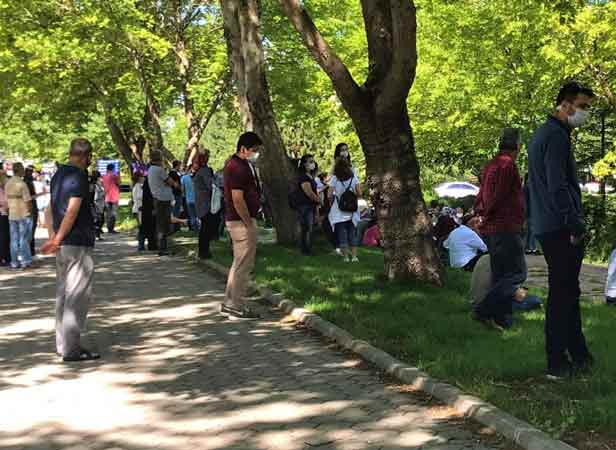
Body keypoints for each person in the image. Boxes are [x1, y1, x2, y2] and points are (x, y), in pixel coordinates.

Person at [527, 81, 596, 379]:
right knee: (562, 293)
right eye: (583, 107)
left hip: (547, 223)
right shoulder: (556, 137)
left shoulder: (545, 134)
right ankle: (557, 360)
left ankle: (578, 353)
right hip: (559, 226)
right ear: (565, 105)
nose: (585, 114)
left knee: (567, 290)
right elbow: (557, 186)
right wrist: (574, 222)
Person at [41, 138, 100, 362]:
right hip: (76, 243)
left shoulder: (58, 175)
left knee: (63, 295)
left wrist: (53, 238)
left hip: (63, 245)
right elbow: (72, 211)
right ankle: (71, 349)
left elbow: (48, 210)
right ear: (86, 156)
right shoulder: (78, 176)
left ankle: (62, 345)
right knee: (77, 297)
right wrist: (58, 238)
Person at [473, 128, 526, 330]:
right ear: (517, 147)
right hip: (505, 226)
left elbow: (482, 194)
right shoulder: (507, 164)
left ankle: (501, 318)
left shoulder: (490, 165)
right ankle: (483, 310)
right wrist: (486, 214)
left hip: (494, 228)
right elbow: (499, 194)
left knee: (501, 275)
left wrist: (480, 212)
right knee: (517, 274)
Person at [220, 132, 263, 320]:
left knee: (239, 263)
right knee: (244, 265)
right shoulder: (237, 167)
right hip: (241, 221)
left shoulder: (241, 164)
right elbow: (238, 199)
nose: (256, 153)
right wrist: (248, 223)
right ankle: (236, 305)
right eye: (254, 150)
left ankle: (230, 303)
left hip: (239, 220)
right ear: (243, 148)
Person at [470, 254, 541, 312]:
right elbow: (517, 296)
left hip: (475, 301)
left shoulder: (483, 258)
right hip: (488, 304)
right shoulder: (505, 261)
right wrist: (521, 292)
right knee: (535, 300)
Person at [328, 159, 361, 262]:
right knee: (352, 234)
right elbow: (359, 193)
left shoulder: (334, 178)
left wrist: (332, 201)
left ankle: (346, 257)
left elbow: (329, 194)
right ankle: (355, 257)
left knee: (342, 235)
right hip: (352, 211)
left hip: (339, 211)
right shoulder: (353, 177)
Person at [147, 151, 178, 256]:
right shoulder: (159, 170)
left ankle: (161, 246)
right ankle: (162, 248)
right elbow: (170, 182)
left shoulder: (151, 169)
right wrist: (175, 184)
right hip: (163, 199)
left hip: (157, 198)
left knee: (161, 223)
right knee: (164, 224)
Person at [5, 162, 33, 269]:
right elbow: (28, 201)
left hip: (12, 214)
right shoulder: (22, 184)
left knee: (14, 239)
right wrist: (30, 212)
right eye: (23, 169)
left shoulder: (8, 183)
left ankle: (14, 261)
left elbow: (7, 200)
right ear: (20, 170)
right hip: (23, 213)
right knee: (24, 239)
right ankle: (26, 261)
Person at [295, 154, 321, 255]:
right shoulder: (303, 177)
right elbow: (309, 192)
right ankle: (305, 250)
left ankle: (308, 249)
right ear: (304, 164)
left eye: (313, 161)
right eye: (310, 161)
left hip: (310, 206)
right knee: (306, 228)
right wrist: (319, 200)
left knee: (309, 228)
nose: (312, 163)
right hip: (305, 206)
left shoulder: (310, 176)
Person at [193, 151, 215, 259]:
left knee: (205, 228)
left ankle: (203, 251)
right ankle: (204, 251)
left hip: (200, 202)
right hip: (205, 203)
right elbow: (210, 186)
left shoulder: (198, 172)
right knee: (206, 228)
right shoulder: (204, 171)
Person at [23, 166, 39, 256]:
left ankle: (31, 249)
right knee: (31, 228)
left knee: (30, 228)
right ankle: (30, 250)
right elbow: (30, 197)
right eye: (32, 172)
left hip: (31, 206)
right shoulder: (28, 182)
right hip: (31, 206)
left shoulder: (27, 181)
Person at [101, 163, 120, 233]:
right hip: (114, 196)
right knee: (114, 213)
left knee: (108, 213)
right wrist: (119, 175)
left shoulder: (104, 176)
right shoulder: (114, 175)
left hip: (107, 196)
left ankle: (109, 227)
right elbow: (119, 183)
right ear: (112, 168)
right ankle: (111, 228)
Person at [523, 173, 538, 254]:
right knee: (530, 230)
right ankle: (531, 247)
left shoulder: (527, 188)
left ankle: (529, 247)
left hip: (531, 212)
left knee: (530, 230)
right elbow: (525, 202)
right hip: (530, 212)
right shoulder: (528, 188)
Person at [181, 165, 198, 232]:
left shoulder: (184, 178)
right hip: (197, 199)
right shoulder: (198, 177)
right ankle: (198, 227)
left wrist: (184, 195)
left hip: (188, 199)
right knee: (197, 215)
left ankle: (194, 228)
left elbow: (182, 189)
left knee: (191, 215)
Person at [0, 163, 11, 266]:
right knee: (4, 236)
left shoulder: (4, 187)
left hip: (5, 212)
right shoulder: (3, 188)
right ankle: (4, 257)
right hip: (3, 213)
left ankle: (6, 257)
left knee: (5, 236)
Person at [90, 171, 105, 241]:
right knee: (98, 220)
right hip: (97, 205)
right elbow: (96, 197)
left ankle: (97, 235)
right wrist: (103, 193)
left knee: (99, 220)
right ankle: (96, 235)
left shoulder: (95, 184)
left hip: (98, 204)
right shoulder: (95, 185)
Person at [132, 174, 145, 250]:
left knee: (142, 227)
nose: (144, 178)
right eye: (142, 177)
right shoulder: (138, 186)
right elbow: (139, 196)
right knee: (141, 227)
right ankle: (141, 245)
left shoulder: (138, 186)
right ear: (139, 178)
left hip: (138, 208)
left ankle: (141, 244)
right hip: (139, 208)